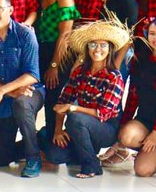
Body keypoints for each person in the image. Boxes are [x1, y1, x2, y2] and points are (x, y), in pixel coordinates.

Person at [38, 19, 127, 178]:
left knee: (75, 118)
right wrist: (58, 130)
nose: (97, 49)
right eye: (93, 45)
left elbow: (104, 113)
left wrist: (73, 108)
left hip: (105, 129)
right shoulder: (80, 72)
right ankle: (76, 151)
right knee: (55, 155)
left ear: (109, 48)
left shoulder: (114, 76)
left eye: (103, 45)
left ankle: (91, 166)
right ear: (87, 48)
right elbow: (62, 102)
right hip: (81, 129)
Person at [0, 0, 45, 177]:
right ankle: (41, 141)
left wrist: (3, 90)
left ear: (11, 10)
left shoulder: (25, 35)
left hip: (31, 92)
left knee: (21, 103)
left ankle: (33, 156)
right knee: (1, 159)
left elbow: (33, 74)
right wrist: (7, 92)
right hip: (5, 96)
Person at [103, 18, 156, 173]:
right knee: (126, 135)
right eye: (152, 34)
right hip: (145, 119)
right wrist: (123, 126)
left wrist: (155, 134)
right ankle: (150, 151)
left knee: (142, 170)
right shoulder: (139, 59)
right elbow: (132, 97)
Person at [32, 0, 79, 137]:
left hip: (59, 53)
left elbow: (65, 36)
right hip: (41, 51)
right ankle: (39, 139)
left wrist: (54, 66)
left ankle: (54, 140)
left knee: (54, 98)